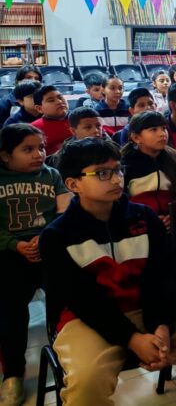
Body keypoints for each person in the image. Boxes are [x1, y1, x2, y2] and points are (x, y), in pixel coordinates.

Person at [40, 137, 176, 405]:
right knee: (86, 381)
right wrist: (132, 339)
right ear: (73, 184)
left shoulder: (144, 218)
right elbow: (82, 300)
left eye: (118, 170)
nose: (116, 179)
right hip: (88, 319)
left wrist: (161, 327)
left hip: (150, 307)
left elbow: (163, 279)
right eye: (103, 173)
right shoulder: (57, 236)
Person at [0, 124, 72, 405]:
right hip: (10, 254)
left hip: (48, 247)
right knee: (11, 314)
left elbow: (64, 213)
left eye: (41, 148)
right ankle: (13, 374)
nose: (38, 154)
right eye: (28, 149)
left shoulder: (52, 176)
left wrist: (45, 239)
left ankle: (68, 356)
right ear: (5, 156)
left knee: (63, 301)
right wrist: (15, 245)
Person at [121, 111, 176, 232]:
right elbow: (121, 204)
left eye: (163, 128)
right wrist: (149, 219)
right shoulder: (125, 166)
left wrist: (175, 216)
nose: (162, 134)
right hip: (140, 228)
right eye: (153, 129)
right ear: (136, 137)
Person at [31, 84, 72, 155]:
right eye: (51, 100)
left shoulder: (81, 118)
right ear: (39, 108)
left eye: (60, 97)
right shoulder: (34, 129)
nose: (59, 102)